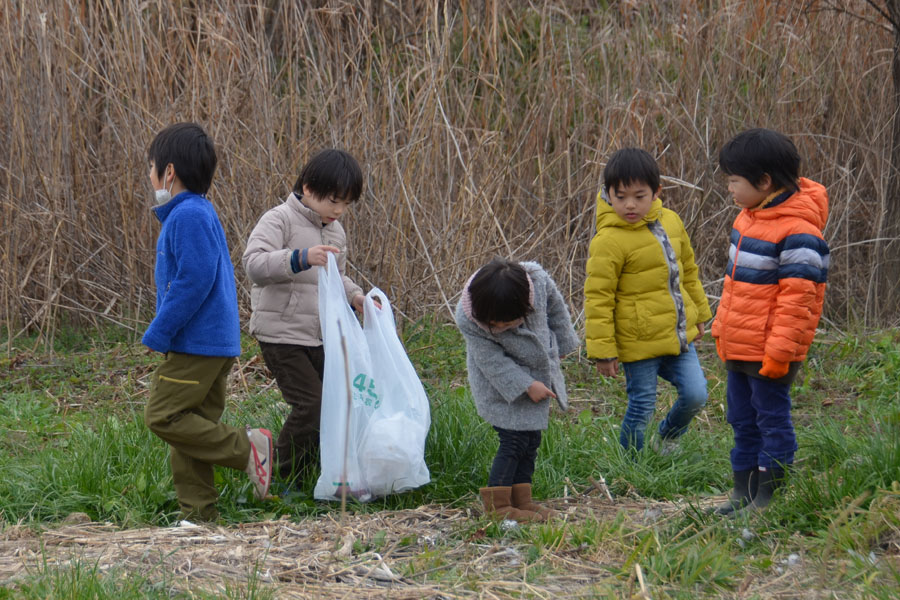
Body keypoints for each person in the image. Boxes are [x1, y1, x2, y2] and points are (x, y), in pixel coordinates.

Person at [142, 122, 272, 523]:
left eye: (150, 168)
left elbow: (194, 278)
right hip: (213, 344)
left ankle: (248, 449)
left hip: (195, 344)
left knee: (164, 416)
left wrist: (160, 329)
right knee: (192, 429)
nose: (148, 177)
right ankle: (199, 517)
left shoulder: (187, 216)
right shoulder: (198, 212)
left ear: (168, 172)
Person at [712, 128, 829, 516]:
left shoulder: (800, 233)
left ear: (764, 182)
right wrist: (720, 327)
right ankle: (741, 492)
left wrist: (780, 352)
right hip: (740, 345)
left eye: (734, 181)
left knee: (771, 420)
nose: (729, 188)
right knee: (741, 418)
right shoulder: (747, 220)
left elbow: (798, 301)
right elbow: (733, 285)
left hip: (771, 351)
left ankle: (769, 498)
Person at [242, 148, 366, 486]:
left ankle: (306, 475)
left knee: (336, 404)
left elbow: (336, 277)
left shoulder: (335, 232)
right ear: (309, 188)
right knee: (311, 405)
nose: (339, 211)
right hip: (281, 334)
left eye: (346, 204)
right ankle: (274, 477)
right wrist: (300, 257)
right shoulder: (279, 219)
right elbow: (253, 264)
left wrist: (356, 296)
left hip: (318, 334)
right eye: (333, 201)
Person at [584, 148, 712, 453]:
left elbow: (688, 272)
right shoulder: (609, 240)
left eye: (639, 196)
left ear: (657, 192)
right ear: (608, 194)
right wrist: (603, 351)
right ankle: (632, 466)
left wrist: (699, 314)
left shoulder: (672, 222)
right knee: (642, 405)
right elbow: (598, 298)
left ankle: (667, 437)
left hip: (677, 334)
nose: (630, 205)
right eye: (621, 196)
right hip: (637, 340)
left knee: (696, 395)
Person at [455, 258, 579, 522]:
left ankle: (522, 501)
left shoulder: (539, 283)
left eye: (506, 323)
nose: (499, 329)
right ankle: (497, 507)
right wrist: (525, 385)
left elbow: (556, 310)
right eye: (494, 325)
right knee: (513, 441)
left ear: (525, 307)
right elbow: (491, 361)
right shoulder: (468, 317)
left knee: (531, 440)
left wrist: (562, 344)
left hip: (538, 372)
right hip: (499, 385)